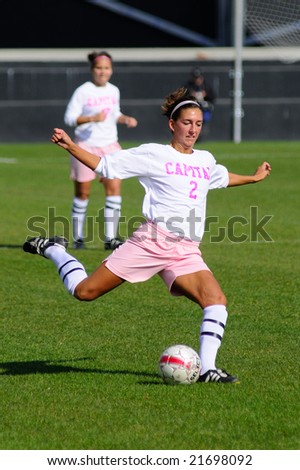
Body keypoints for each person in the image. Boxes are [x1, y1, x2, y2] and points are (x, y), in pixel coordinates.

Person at [23, 87, 271, 383]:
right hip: (152, 242)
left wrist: (253, 178)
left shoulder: (204, 159)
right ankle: (54, 249)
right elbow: (106, 165)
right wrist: (69, 145)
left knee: (216, 299)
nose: (193, 129)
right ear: (172, 124)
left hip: (186, 249)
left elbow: (219, 177)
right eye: (187, 123)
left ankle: (207, 369)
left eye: (198, 124)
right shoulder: (153, 154)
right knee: (85, 292)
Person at [64, 50, 138, 250]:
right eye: (98, 68)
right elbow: (69, 118)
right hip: (85, 147)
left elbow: (114, 113)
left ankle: (110, 239)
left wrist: (124, 119)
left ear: (111, 70)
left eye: (106, 68)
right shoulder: (83, 91)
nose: (102, 72)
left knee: (113, 190)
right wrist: (90, 118)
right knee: (83, 193)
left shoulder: (113, 90)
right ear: (92, 69)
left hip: (110, 146)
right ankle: (78, 239)